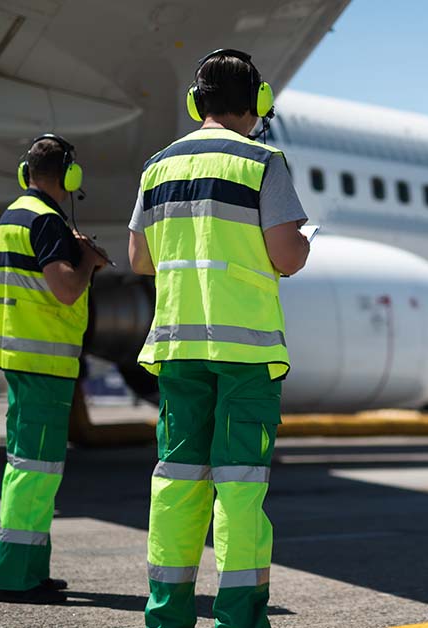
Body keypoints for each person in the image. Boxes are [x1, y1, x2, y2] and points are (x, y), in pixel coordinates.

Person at [128, 48, 310, 628]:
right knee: (239, 489)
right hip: (247, 353)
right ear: (258, 103)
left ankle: (167, 615)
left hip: (179, 348)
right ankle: (238, 617)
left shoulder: (158, 167)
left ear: (195, 102)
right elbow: (286, 256)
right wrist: (303, 244)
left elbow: (139, 259)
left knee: (176, 485)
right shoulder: (263, 162)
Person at [0, 134, 108, 604]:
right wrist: (89, 262)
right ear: (70, 177)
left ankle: (33, 569)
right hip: (44, 361)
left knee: (32, 468)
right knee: (35, 471)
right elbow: (64, 289)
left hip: (23, 357)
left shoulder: (14, 214)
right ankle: (15, 578)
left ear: (27, 173)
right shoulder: (47, 221)